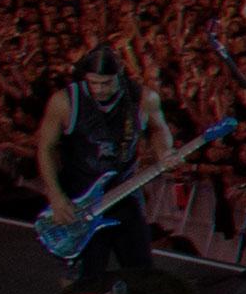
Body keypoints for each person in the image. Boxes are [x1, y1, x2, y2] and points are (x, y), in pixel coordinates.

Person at [36, 44, 179, 276]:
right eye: (93, 83)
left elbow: (158, 129)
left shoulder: (143, 98)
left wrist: (165, 152)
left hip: (124, 193)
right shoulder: (65, 101)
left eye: (106, 83)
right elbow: (46, 147)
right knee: (85, 277)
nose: (99, 89)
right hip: (79, 199)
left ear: (118, 76)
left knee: (140, 272)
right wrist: (55, 195)